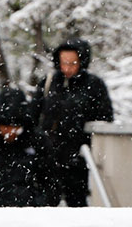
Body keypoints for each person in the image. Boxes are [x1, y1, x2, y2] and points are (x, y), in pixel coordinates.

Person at [31, 38, 114, 206]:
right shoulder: (48, 83)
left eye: (73, 63)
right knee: (45, 202)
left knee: (77, 202)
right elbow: (33, 115)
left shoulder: (94, 85)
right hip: (48, 156)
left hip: (78, 157)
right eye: (64, 63)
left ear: (82, 61)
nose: (67, 68)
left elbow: (104, 119)